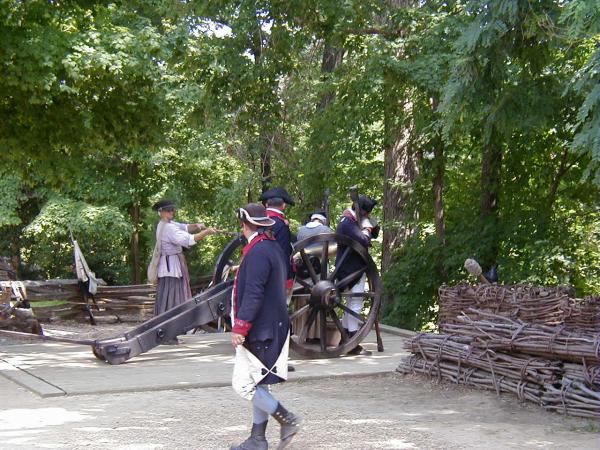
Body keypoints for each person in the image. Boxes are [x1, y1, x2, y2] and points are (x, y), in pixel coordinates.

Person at [230, 203, 302, 450]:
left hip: (262, 329)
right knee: (259, 382)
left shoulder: (259, 252)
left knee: (243, 384)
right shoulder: (269, 248)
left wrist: (240, 327)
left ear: (245, 225)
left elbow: (253, 293)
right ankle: (258, 439)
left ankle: (287, 418)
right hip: (271, 326)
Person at [151, 199, 216, 330]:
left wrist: (197, 225)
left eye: (172, 209)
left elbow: (185, 227)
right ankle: (169, 331)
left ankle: (168, 330)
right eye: (168, 210)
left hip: (169, 267)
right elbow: (189, 240)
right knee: (172, 301)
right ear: (161, 212)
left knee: (168, 299)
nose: (172, 212)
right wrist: (206, 232)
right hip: (171, 269)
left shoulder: (165, 224)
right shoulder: (168, 228)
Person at [334, 194, 380, 356]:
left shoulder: (347, 220)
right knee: (355, 304)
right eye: (367, 213)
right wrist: (367, 228)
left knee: (350, 303)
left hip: (349, 267)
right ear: (363, 212)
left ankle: (346, 338)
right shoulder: (348, 223)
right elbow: (364, 240)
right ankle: (352, 342)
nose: (368, 216)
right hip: (352, 268)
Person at [259, 187, 296, 295]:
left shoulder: (258, 221)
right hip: (276, 278)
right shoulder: (281, 224)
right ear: (283, 205)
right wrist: (287, 280)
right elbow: (284, 254)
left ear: (266, 205)